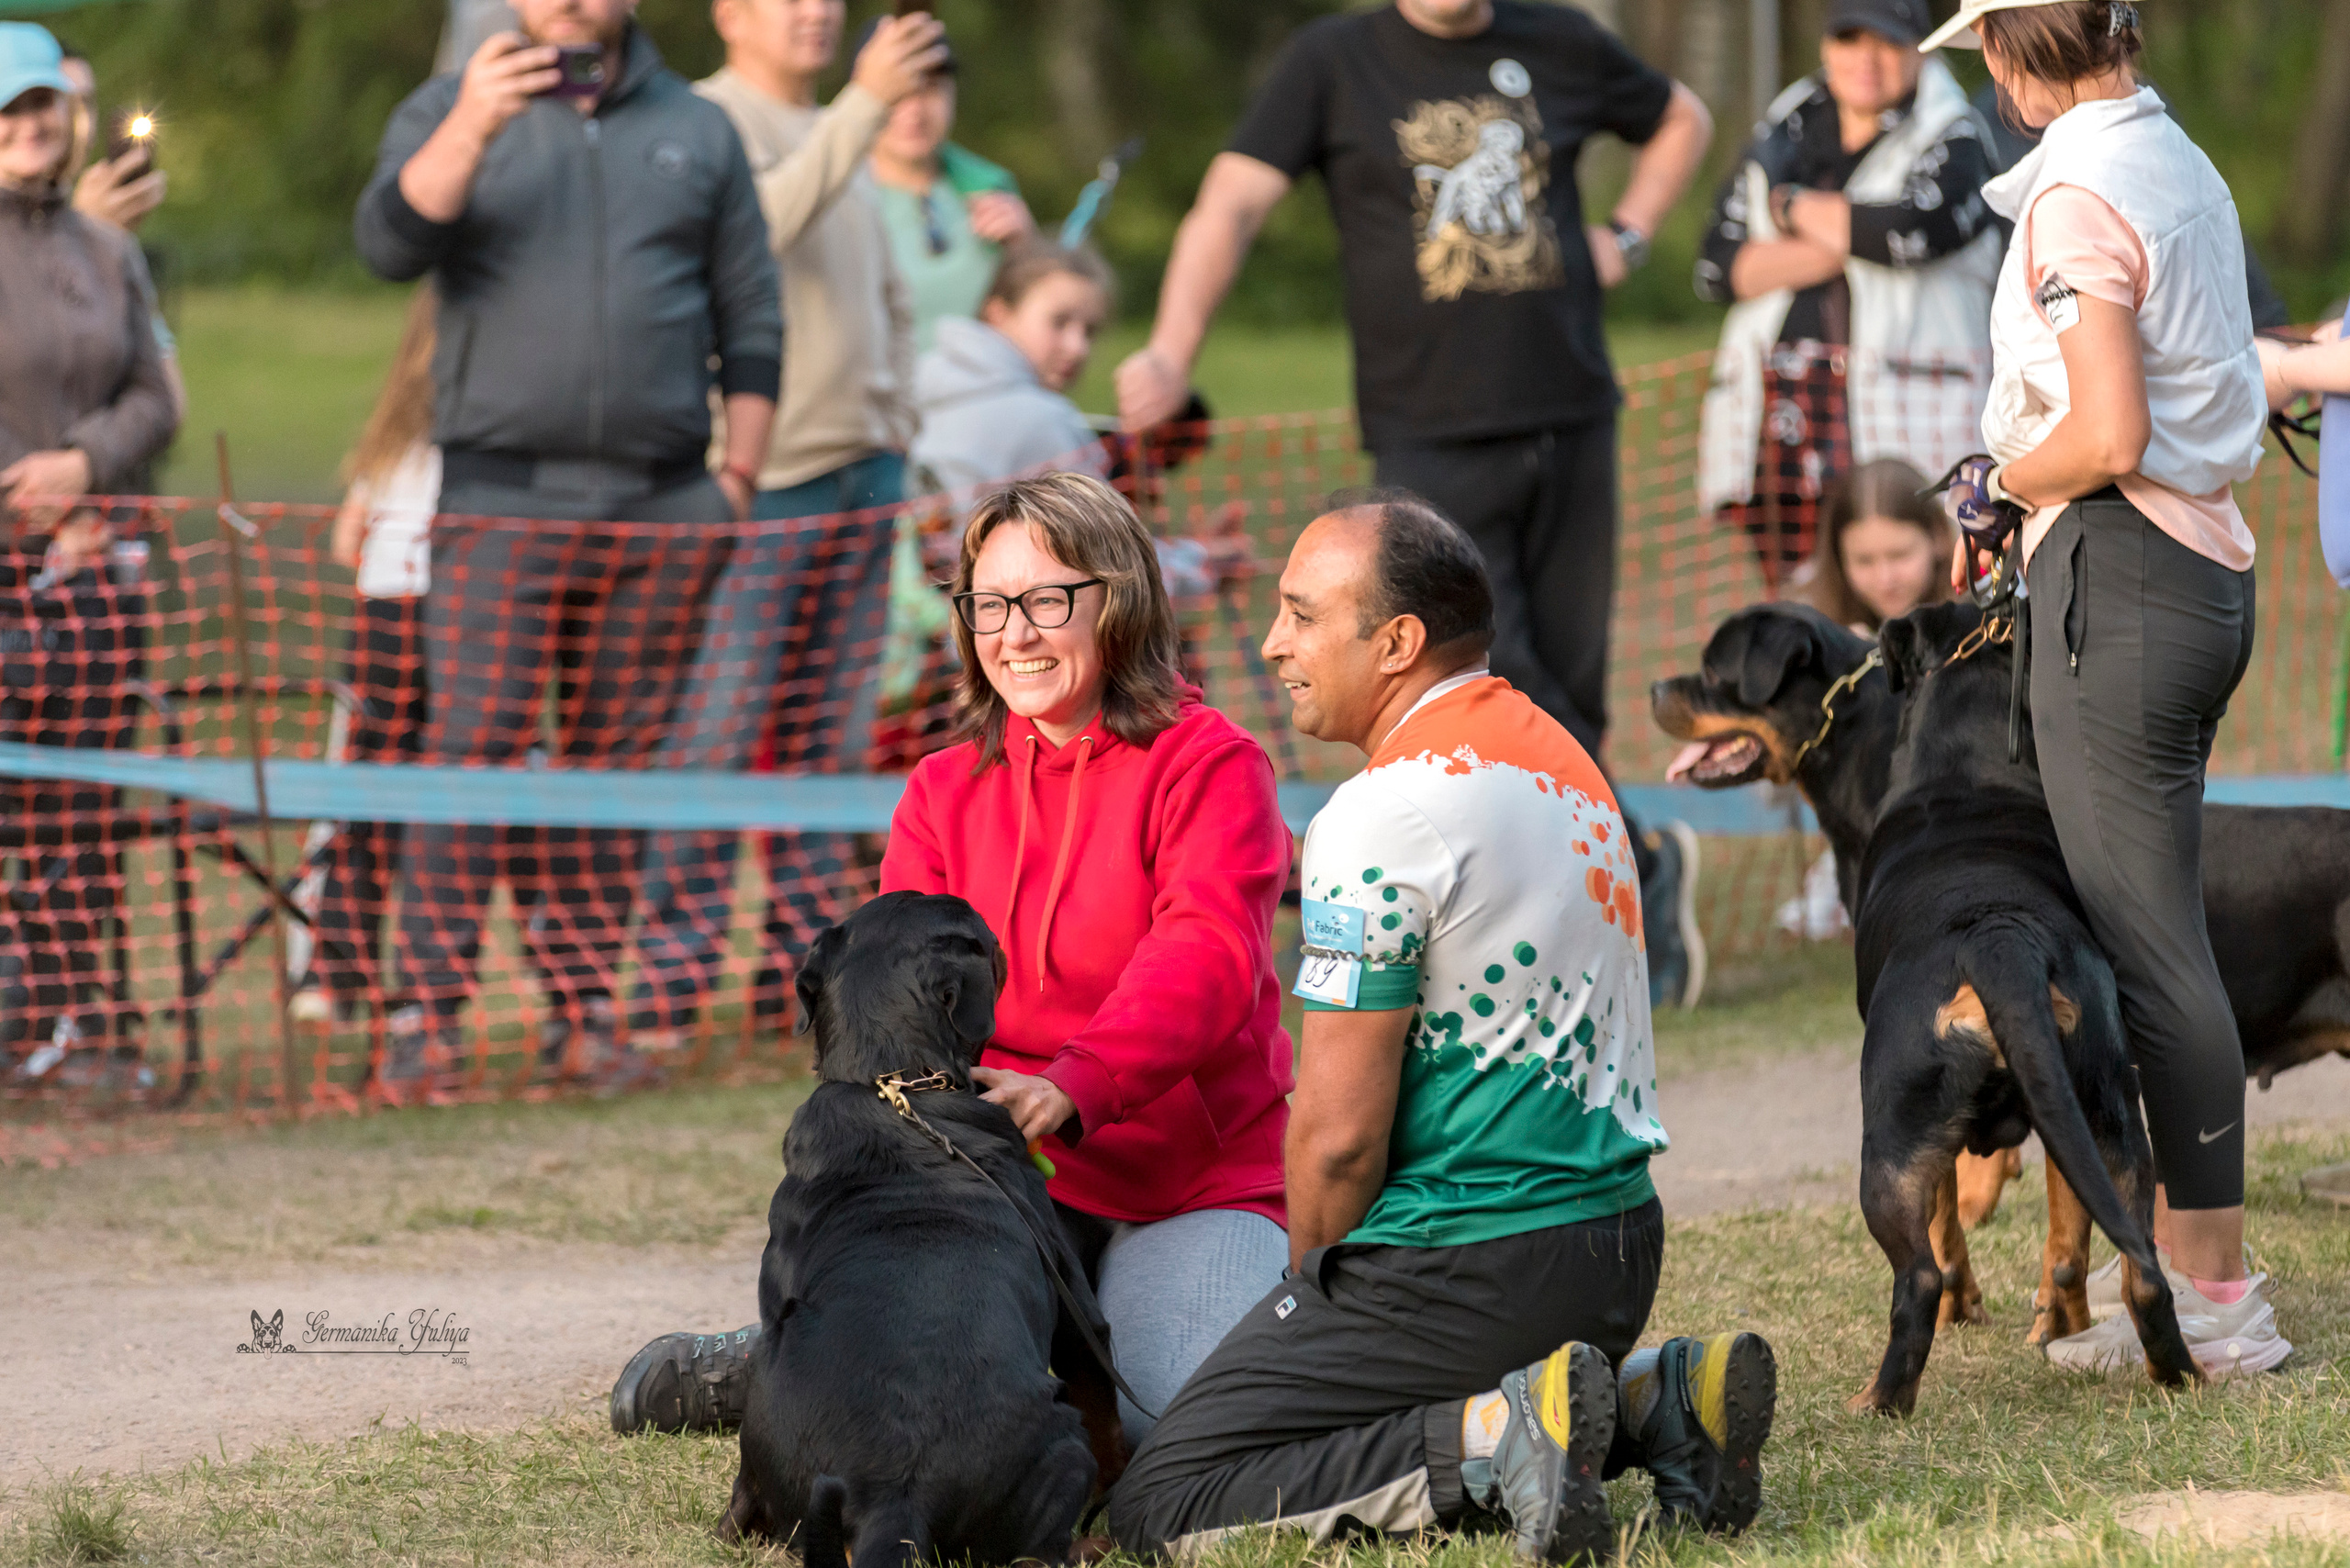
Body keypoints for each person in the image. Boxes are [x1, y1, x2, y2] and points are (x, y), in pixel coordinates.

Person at [1105, 492, 1774, 1559]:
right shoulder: (1557, 754)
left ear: (1397, 641)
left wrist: (1312, 1286)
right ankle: (1655, 1401)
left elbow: (1336, 1134)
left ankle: (1497, 1439)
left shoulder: (1378, 814)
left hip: (1466, 1262)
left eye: (1300, 614)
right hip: (1614, 1251)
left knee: (1163, 1496)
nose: (1274, 643)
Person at [609, 473, 1297, 1448]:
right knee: (915, 1389)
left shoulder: (1211, 763)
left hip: (1185, 1184)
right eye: (989, 604)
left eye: (1048, 600)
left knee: (1163, 1421)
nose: (1015, 633)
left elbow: (1207, 955)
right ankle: (791, 1358)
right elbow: (893, 1002)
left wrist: (1072, 1083)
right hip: (998, 1171)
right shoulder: (940, 789)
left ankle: (832, 1355)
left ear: (1122, 599)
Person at [1115, 0, 1717, 1009]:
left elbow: (1682, 115)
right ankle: (1635, 882)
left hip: (1573, 411)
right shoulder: (1333, 62)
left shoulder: (1558, 37)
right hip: (1429, 430)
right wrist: (1172, 350)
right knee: (1504, 681)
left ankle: (1598, 899)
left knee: (1572, 685)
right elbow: (1229, 205)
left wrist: (1628, 232)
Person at [1923, 0, 2288, 1375]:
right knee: (2161, 934)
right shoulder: (2178, 156)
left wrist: (1996, 481)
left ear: (2019, 63)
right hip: (2196, 578)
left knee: (2151, 951)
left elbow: (2111, 429)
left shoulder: (2077, 194)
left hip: (2128, 581)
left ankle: (2214, 1302)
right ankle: (2199, 1282)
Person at [353, 0, 782, 1092]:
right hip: (502, 497)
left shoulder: (696, 126)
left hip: (663, 503)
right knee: (473, 748)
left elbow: (751, 309)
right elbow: (387, 242)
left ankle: (586, 1007)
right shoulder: (453, 106)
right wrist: (474, 124)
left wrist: (734, 480)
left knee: (615, 761)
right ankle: (425, 1017)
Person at [629, 0, 946, 1047]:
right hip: (766, 484)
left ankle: (802, 985)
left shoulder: (842, 132)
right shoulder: (706, 121)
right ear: (728, 14)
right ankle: (668, 986)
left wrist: (899, 424)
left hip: (867, 474)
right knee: (717, 732)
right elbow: (752, 238)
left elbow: (884, 295)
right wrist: (862, 105)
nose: (815, 13)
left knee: (831, 743)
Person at [1694, 0, 1999, 591]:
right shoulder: (1784, 131)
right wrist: (1850, 234)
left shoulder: (1958, 137)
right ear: (1826, 46)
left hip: (1915, 425)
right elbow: (1717, 267)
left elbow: (1915, 231)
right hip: (1783, 428)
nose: (1866, 60)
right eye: (1849, 39)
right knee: (1806, 620)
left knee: (1933, 604)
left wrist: (1790, 210)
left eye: (1886, 42)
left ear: (1920, 47)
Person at [290, 284, 440, 1031]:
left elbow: (347, 539)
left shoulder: (391, 438)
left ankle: (328, 972)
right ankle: (390, 977)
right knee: (426, 802)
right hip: (438, 621)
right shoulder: (474, 439)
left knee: (360, 800)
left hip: (381, 619)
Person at [0, 23, 176, 510]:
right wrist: (40, 503)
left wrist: (85, 464)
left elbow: (157, 401)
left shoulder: (108, 246)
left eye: (41, 102)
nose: (29, 124)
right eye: (8, 108)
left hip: (103, 552)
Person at [1777, 456, 1952, 941]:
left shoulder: (1970, 611)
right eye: (1865, 562)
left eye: (1899, 555)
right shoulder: (1822, 626)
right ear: (1838, 557)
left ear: (1938, 538)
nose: (1885, 578)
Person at [861, 20, 1035, 353]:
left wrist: (1026, 250)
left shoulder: (990, 186)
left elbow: (1034, 325)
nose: (914, 110)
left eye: (931, 88)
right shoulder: (839, 192)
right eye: (898, 91)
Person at [53, 49, 184, 426]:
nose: (77, 123)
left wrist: (107, 245)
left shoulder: (107, 232)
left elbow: (166, 398)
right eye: (54, 103)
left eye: (87, 104)